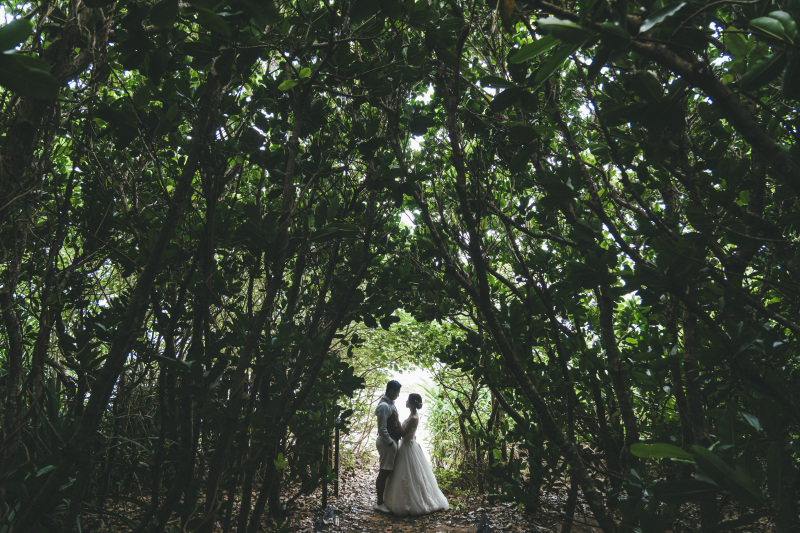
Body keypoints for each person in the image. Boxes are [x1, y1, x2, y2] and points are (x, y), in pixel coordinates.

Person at [383, 393, 449, 516]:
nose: (405, 401)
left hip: (408, 447)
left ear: (413, 403)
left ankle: (411, 502)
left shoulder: (413, 417)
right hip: (408, 445)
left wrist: (397, 418)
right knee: (406, 474)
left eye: (408, 400)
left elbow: (403, 433)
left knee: (409, 474)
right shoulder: (412, 415)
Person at [374, 380, 402, 513]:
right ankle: (379, 503)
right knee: (384, 471)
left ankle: (384, 500)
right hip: (386, 443)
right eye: (397, 392)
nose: (398, 395)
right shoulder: (384, 406)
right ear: (391, 391)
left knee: (387, 471)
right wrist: (390, 442)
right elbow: (382, 428)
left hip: (389, 442)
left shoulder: (390, 404)